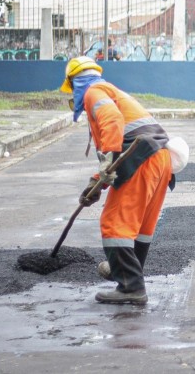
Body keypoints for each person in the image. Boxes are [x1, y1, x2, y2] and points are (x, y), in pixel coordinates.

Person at [60, 56, 177, 305]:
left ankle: (130, 286)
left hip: (142, 157)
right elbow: (112, 157)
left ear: (74, 82)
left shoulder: (94, 92)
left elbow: (112, 123)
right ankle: (125, 272)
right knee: (140, 226)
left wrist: (104, 168)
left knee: (115, 222)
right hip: (159, 155)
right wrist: (96, 183)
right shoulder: (109, 89)